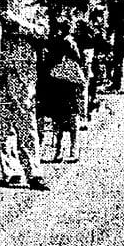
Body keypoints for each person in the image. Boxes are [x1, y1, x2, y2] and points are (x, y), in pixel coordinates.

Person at [0, 0, 50, 190]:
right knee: (1, 120)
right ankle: (11, 170)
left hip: (24, 68)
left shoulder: (35, 3)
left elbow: (43, 31)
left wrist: (17, 23)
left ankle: (33, 170)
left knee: (25, 118)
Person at [44, 19, 87, 162]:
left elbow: (49, 61)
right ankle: (73, 150)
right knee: (73, 116)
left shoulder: (54, 42)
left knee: (58, 119)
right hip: (70, 82)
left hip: (57, 81)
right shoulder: (70, 42)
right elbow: (79, 59)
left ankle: (58, 151)